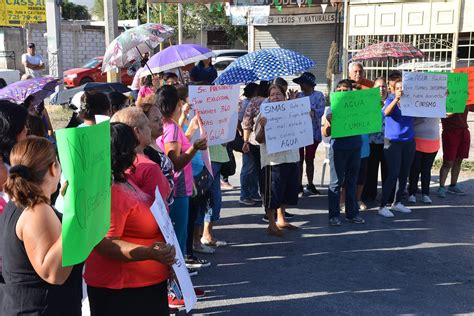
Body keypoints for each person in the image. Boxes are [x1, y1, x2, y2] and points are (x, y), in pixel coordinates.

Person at [85, 123, 175, 316]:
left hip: (142, 287)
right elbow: (106, 243)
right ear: (124, 151)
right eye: (133, 147)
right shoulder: (111, 192)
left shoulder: (124, 181)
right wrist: (149, 253)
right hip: (124, 290)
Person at [0, 137, 83, 315]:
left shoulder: (16, 204)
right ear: (53, 168)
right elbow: (54, 273)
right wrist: (76, 214)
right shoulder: (37, 209)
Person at [156, 85, 207, 256]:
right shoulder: (171, 128)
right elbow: (174, 163)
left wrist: (190, 131)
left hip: (177, 185)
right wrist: (194, 148)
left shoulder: (168, 125)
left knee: (179, 230)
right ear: (177, 104)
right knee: (178, 232)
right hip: (177, 187)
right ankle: (178, 272)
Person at [254, 84, 300, 236]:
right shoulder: (264, 114)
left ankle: (281, 219)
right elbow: (258, 139)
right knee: (272, 193)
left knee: (287, 190)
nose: (275, 97)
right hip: (273, 160)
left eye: (278, 94)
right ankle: (271, 224)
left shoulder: (292, 110)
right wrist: (263, 127)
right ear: (268, 97)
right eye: (272, 94)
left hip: (291, 157)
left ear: (284, 96)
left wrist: (294, 104)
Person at [322, 80, 365, 226]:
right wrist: (329, 122)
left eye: (345, 89)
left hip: (355, 147)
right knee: (336, 183)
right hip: (338, 149)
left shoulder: (359, 107)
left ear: (351, 91)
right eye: (338, 90)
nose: (341, 92)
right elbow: (325, 133)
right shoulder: (331, 109)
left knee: (351, 182)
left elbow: (368, 122)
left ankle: (352, 214)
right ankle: (333, 215)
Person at [110, 107, 171, 206]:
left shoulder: (117, 162)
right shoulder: (149, 167)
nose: (150, 129)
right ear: (137, 131)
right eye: (147, 125)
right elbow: (157, 204)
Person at [378, 78, 415, 217]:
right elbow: (385, 113)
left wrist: (442, 97)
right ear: (393, 90)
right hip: (393, 142)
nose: (401, 90)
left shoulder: (412, 102)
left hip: (409, 141)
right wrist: (396, 100)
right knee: (393, 174)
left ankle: (397, 202)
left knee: (404, 174)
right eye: (398, 88)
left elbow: (428, 110)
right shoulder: (389, 100)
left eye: (402, 88)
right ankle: (382, 206)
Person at [293, 72, 325, 196]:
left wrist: (312, 111)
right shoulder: (298, 95)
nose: (301, 85)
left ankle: (310, 183)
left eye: (303, 83)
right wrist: (292, 101)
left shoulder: (318, 95)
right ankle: (298, 184)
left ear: (309, 84)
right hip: (299, 132)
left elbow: (320, 112)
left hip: (313, 132)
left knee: (310, 158)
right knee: (299, 159)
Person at [362, 77, 388, 204]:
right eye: (378, 87)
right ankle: (369, 195)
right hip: (371, 142)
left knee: (387, 171)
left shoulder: (393, 101)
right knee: (371, 171)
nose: (381, 89)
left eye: (384, 86)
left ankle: (387, 196)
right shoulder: (367, 102)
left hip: (388, 142)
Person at [438, 104, 474, 197]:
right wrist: (458, 106)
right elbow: (445, 114)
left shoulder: (466, 96)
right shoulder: (445, 96)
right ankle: (441, 187)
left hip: (463, 130)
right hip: (450, 131)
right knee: (448, 161)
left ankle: (453, 185)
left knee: (459, 160)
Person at [408, 117, 440, 204]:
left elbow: (448, 113)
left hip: (432, 140)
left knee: (426, 169)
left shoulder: (439, 103)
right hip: (416, 138)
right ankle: (412, 194)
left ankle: (425, 194)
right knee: (415, 168)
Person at [238, 83, 260, 206]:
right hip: (248, 139)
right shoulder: (246, 103)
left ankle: (253, 193)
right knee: (248, 167)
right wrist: (243, 134)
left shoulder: (253, 101)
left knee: (254, 168)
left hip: (252, 139)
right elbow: (240, 120)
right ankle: (244, 194)